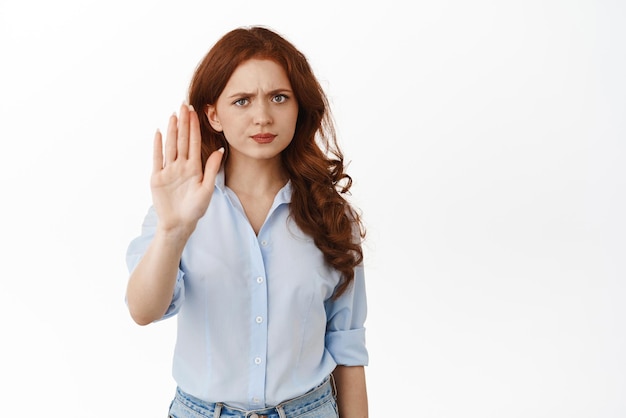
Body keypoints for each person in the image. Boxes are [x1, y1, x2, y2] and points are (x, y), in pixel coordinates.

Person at [125, 26, 368, 418]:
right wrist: (173, 231)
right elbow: (143, 310)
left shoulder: (329, 213)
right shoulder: (181, 208)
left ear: (298, 107)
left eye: (278, 97)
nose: (263, 117)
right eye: (241, 101)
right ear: (213, 114)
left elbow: (347, 343)